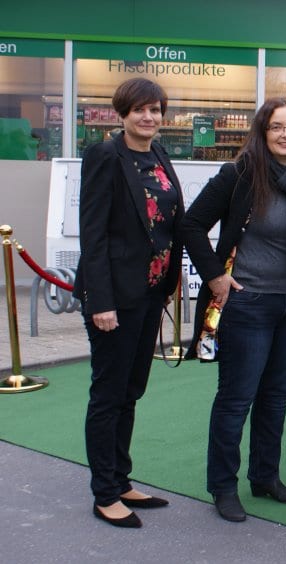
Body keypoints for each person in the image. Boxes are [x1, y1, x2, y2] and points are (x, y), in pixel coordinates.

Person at [180, 97, 286, 522]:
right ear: (262, 132)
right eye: (277, 127)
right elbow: (190, 224)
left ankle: (265, 478)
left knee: (275, 398)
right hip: (248, 304)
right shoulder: (238, 174)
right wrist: (217, 278)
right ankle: (223, 486)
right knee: (236, 398)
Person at [74, 78, 185, 528]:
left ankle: (120, 479)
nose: (149, 117)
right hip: (114, 300)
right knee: (108, 394)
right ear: (123, 112)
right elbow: (93, 233)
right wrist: (100, 301)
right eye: (140, 110)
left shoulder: (158, 153)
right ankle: (104, 493)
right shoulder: (105, 155)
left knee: (131, 391)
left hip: (149, 293)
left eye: (156, 110)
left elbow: (168, 221)